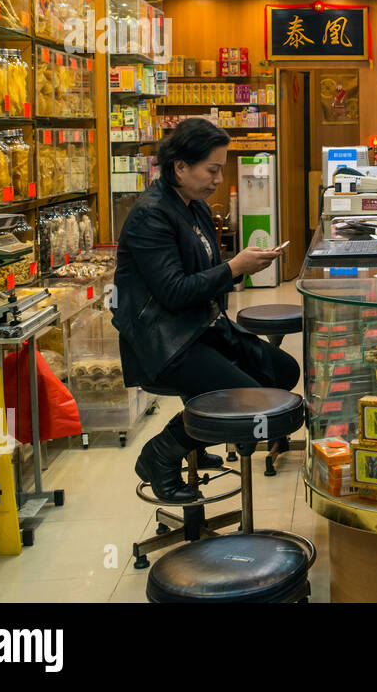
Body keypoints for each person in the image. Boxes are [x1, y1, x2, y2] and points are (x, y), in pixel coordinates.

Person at [111, 118, 297, 503]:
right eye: (211, 169)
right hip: (164, 342)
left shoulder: (191, 205)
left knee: (282, 370)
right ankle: (160, 454)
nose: (217, 179)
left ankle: (199, 431)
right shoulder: (151, 215)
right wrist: (234, 269)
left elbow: (205, 270)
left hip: (199, 326)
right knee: (252, 397)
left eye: (221, 169)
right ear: (180, 166)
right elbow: (175, 291)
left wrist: (239, 268)